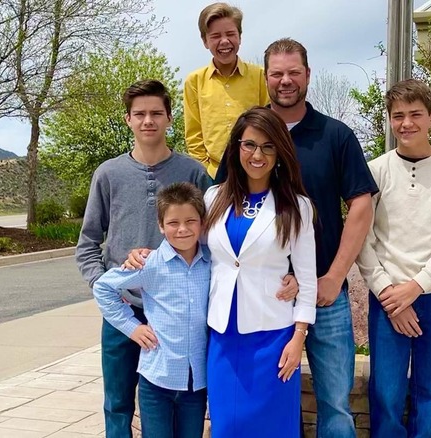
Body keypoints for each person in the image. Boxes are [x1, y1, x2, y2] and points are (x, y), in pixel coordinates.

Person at [214, 38, 378, 437]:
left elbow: (362, 206)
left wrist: (334, 277)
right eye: (276, 73)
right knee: (263, 403)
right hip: (262, 304)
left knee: (335, 404)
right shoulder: (249, 134)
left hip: (324, 292)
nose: (285, 80)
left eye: (294, 72)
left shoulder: (334, 135)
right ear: (265, 77)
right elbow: (219, 210)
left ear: (307, 75)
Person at [75, 79, 211, 438]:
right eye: (140, 114)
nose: (148, 120)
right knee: (118, 402)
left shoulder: (194, 173)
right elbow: (88, 241)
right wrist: (103, 284)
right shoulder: (108, 174)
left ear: (169, 118)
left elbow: (214, 236)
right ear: (128, 120)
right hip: (126, 309)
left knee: (177, 397)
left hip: (174, 311)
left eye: (156, 113)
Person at [356, 78, 431, 438]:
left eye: (415, 114)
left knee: (429, 389)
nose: (406, 123)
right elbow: (363, 237)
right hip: (388, 299)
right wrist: (390, 294)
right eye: (398, 116)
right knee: (386, 393)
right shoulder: (375, 170)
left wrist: (417, 287)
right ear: (389, 121)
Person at [205, 106, 316, 437]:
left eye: (268, 147)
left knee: (272, 428)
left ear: (280, 153)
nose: (258, 154)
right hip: (223, 337)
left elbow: (308, 279)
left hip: (274, 338)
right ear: (236, 147)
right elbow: (194, 255)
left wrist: (298, 338)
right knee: (226, 427)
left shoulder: (296, 207)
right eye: (250, 144)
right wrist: (147, 256)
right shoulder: (212, 198)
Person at [92, 182, 210, 438]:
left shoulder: (212, 263)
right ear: (160, 225)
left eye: (191, 221)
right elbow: (103, 288)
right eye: (173, 223)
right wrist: (132, 328)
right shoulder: (150, 263)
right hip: (157, 380)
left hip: (196, 383)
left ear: (202, 222)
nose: (182, 229)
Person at [184, 2, 269, 178]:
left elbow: (269, 126)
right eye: (215, 36)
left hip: (256, 171)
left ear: (240, 37)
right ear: (205, 41)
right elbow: (194, 136)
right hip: (213, 175)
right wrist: (207, 170)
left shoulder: (260, 76)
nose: (224, 41)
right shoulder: (194, 81)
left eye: (231, 34)